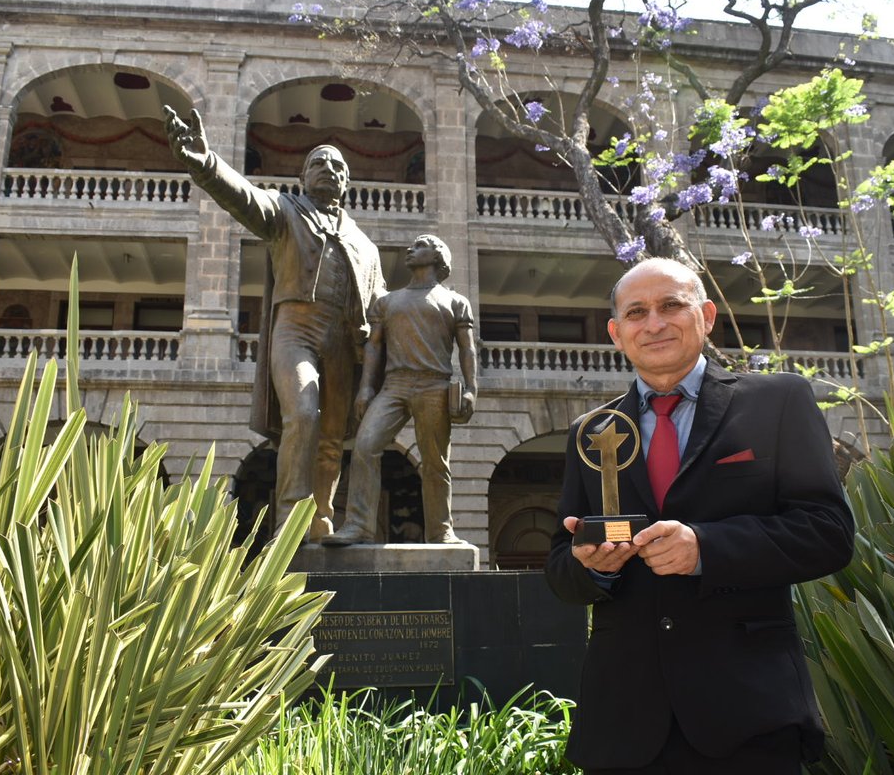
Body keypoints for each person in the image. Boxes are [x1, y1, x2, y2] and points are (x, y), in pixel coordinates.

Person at [545, 257, 854, 774]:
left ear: (706, 316)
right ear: (617, 334)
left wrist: (705, 548)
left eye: (671, 305)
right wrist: (593, 565)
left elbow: (828, 532)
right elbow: (560, 569)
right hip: (623, 726)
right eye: (637, 313)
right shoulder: (592, 430)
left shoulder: (777, 402)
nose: (655, 323)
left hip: (748, 718)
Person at [164, 106, 385, 540]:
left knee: (332, 437)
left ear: (347, 182)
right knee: (303, 413)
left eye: (337, 165)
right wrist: (206, 163)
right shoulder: (285, 211)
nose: (328, 169)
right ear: (304, 177)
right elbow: (244, 197)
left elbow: (381, 307)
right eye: (318, 162)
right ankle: (291, 519)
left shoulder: (364, 243)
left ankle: (321, 518)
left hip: (343, 339)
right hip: (296, 328)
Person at [323, 234, 477, 546]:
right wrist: (365, 388)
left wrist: (472, 389)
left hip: (434, 385)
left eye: (419, 245)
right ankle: (358, 525)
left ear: (437, 257)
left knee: (435, 462)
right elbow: (374, 348)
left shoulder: (455, 302)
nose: (410, 249)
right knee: (365, 446)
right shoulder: (388, 302)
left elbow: (468, 350)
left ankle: (441, 530)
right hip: (393, 386)